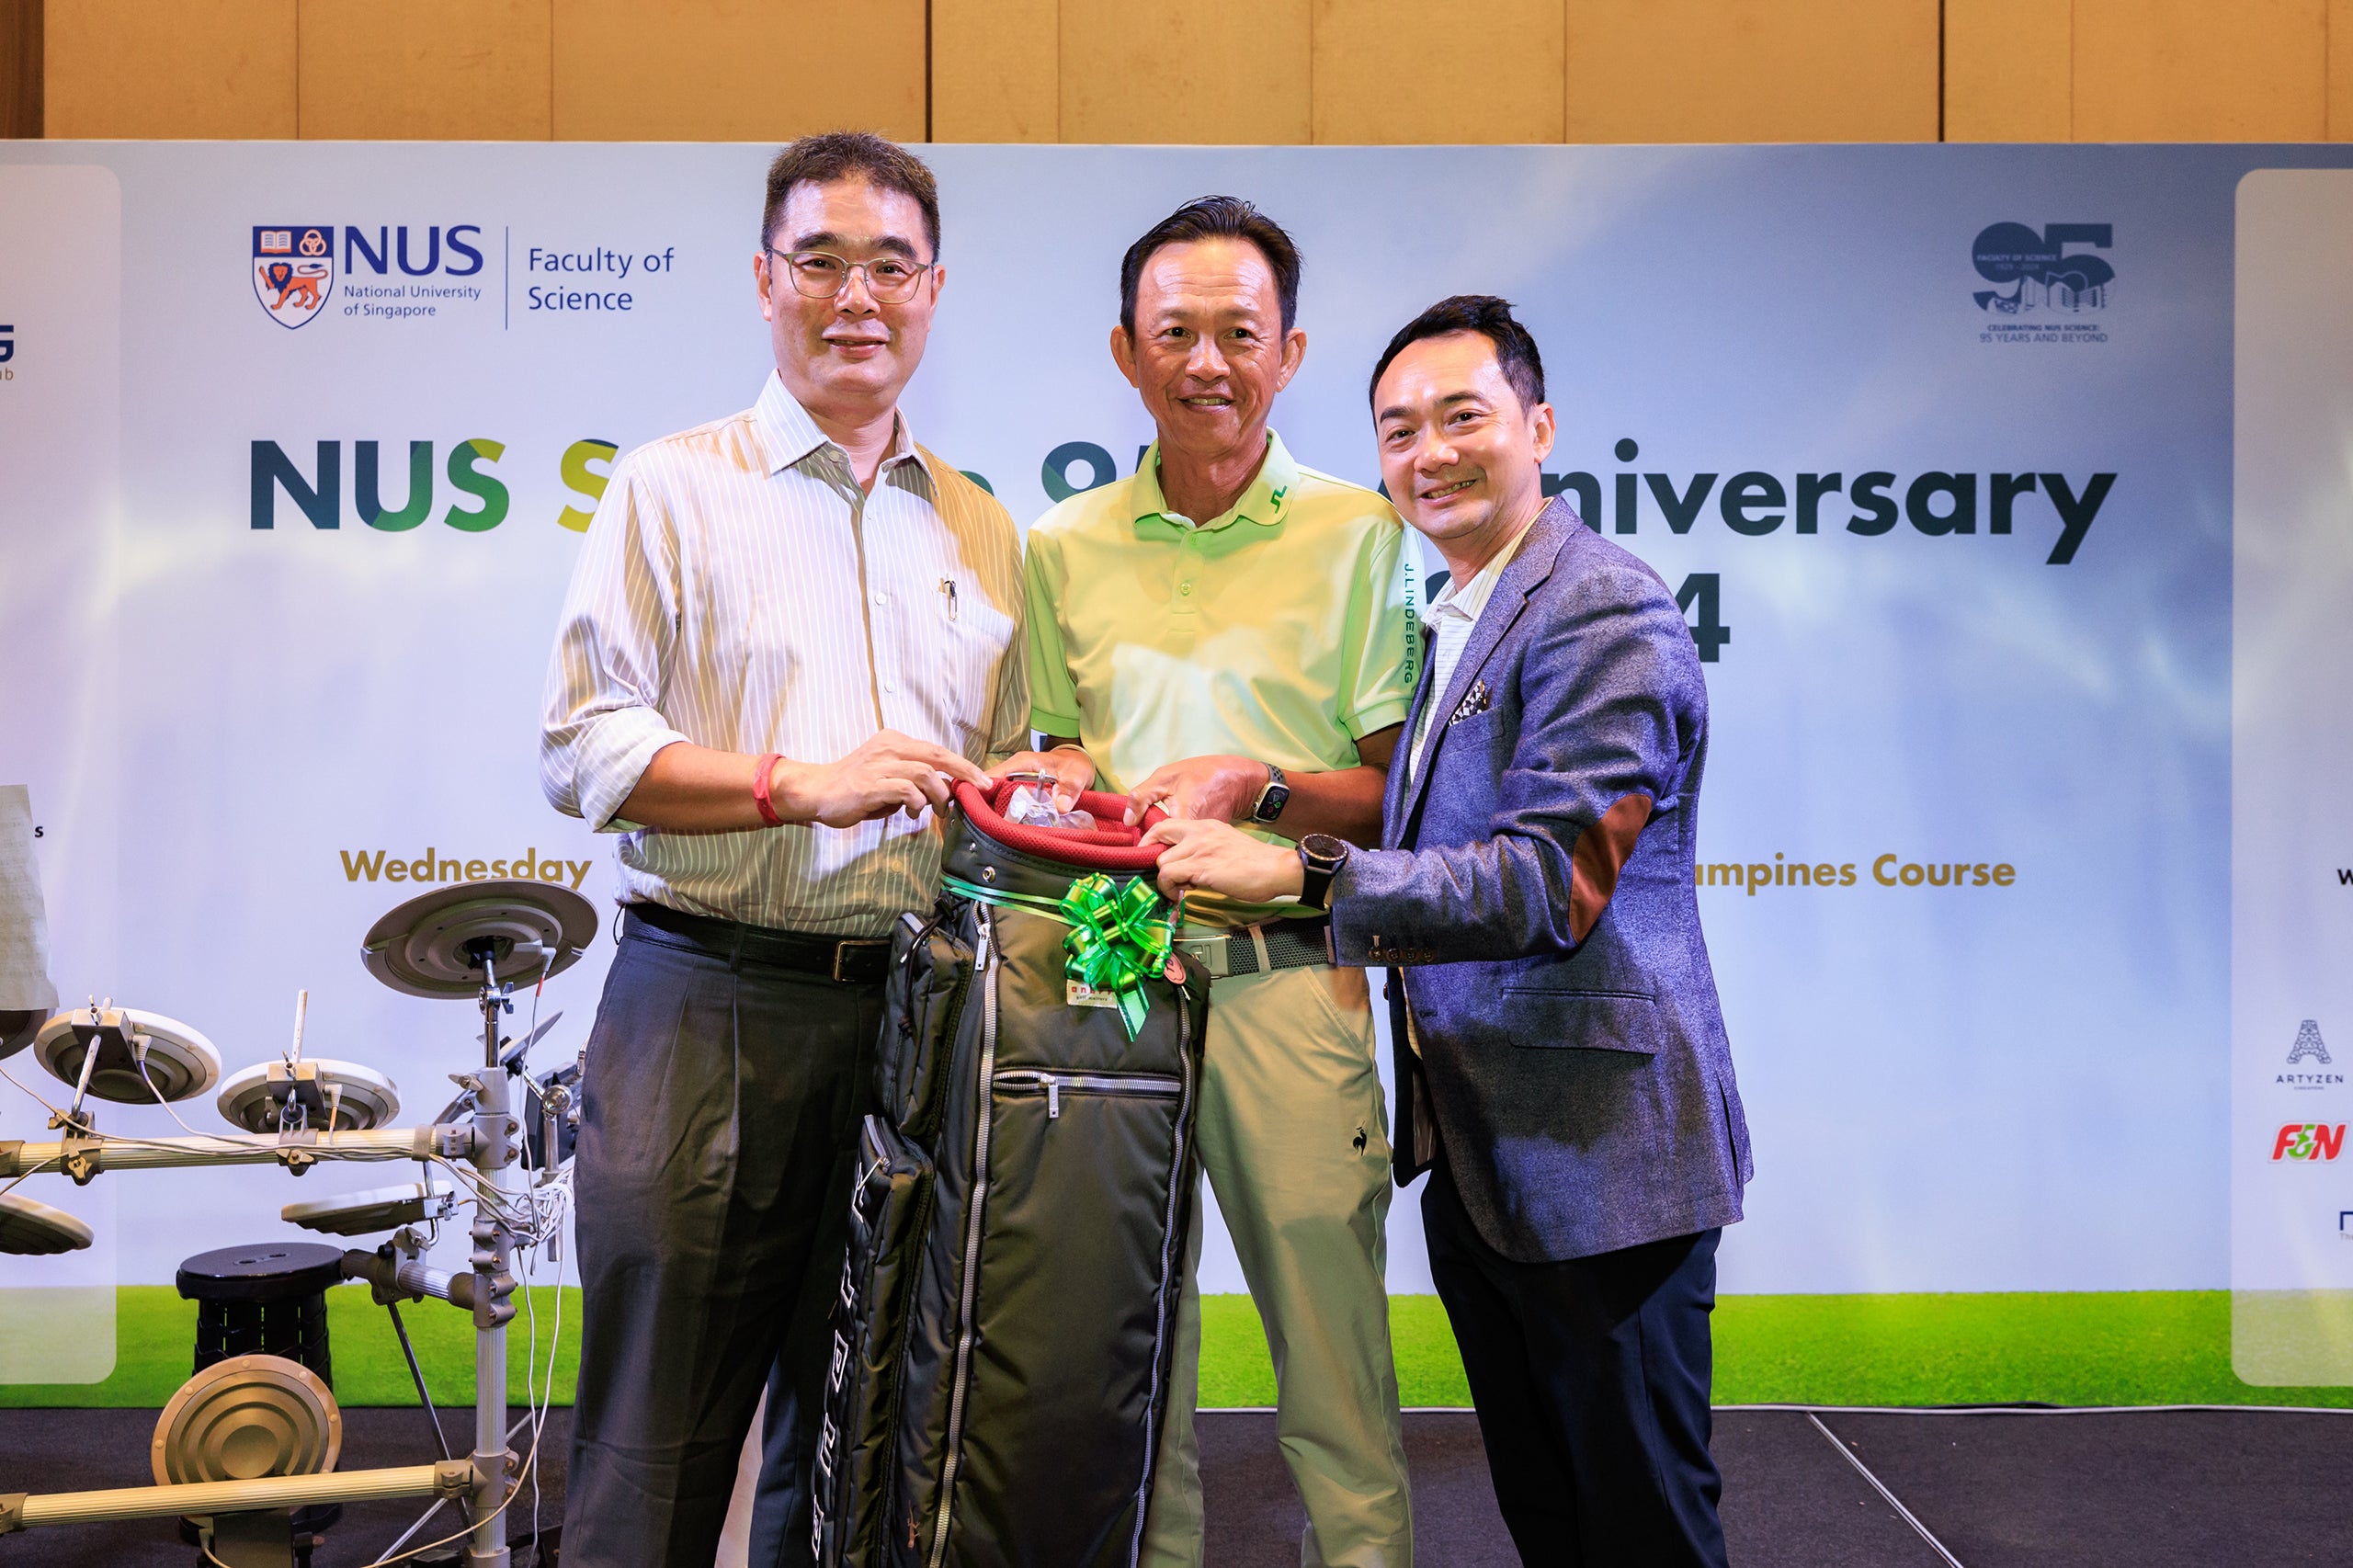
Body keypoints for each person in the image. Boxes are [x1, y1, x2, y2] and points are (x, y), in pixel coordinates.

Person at [1142, 295, 1753, 1567]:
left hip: (1603, 1161)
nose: (1432, 453)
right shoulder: (1461, 615)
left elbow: (1547, 881)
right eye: (1400, 430)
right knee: (1555, 1518)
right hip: (1490, 1160)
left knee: (1640, 1525)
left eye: (1463, 417)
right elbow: (1437, 827)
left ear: (1540, 425)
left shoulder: (1600, 607)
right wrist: (1265, 783)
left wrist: (1296, 872)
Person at [539, 132, 1024, 1568]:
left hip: (913, 1019)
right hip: (710, 1009)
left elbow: (1003, 772)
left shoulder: (983, 526)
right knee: (657, 1444)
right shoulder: (671, 487)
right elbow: (583, 747)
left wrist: (1032, 791)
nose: (855, 296)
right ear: (766, 280)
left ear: (933, 289)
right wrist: (797, 786)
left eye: (890, 265)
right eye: (821, 260)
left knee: (858, 1446)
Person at [998, 197, 1418, 1568]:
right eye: (1174, 333)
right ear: (1127, 352)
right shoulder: (1062, 542)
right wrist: (1062, 771)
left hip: (1289, 979)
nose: (1207, 363)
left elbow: (1399, 794)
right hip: (1109, 979)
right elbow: (1055, 748)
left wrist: (1258, 785)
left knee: (1335, 1369)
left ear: (1288, 352)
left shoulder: (1361, 532)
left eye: (1240, 333)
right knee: (1128, 1361)